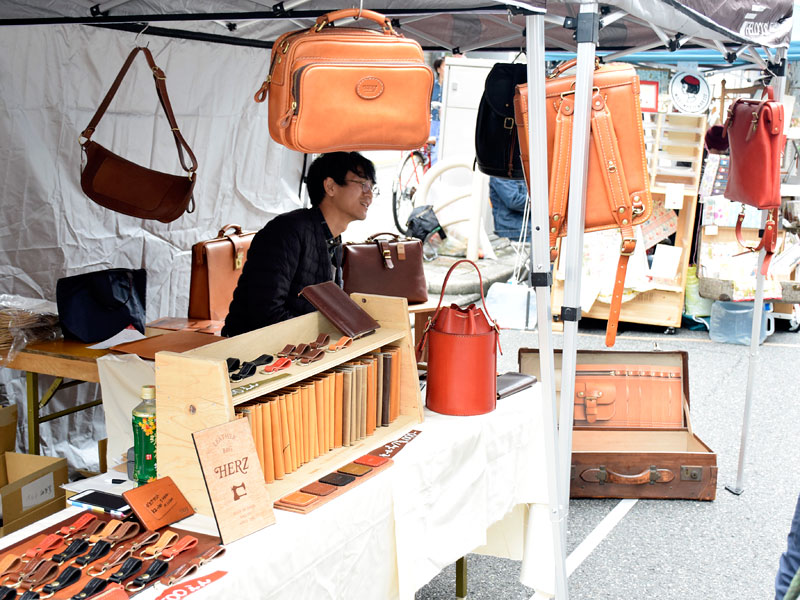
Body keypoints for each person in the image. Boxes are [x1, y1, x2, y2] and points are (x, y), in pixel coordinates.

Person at [222, 152, 377, 337]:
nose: (369, 194)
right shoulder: (285, 231)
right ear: (330, 186)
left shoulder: (333, 239)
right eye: (363, 184)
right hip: (255, 353)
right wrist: (321, 340)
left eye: (373, 187)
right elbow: (264, 313)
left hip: (297, 351)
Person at [488, 176, 530, 241]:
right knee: (544, 238)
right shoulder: (501, 171)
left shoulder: (521, 169)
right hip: (513, 229)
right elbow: (514, 201)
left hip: (526, 225)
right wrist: (542, 203)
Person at [429, 57, 444, 165]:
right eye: (444, 66)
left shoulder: (449, 87)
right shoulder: (431, 85)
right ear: (438, 69)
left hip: (442, 122)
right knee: (426, 150)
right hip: (430, 121)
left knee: (437, 150)